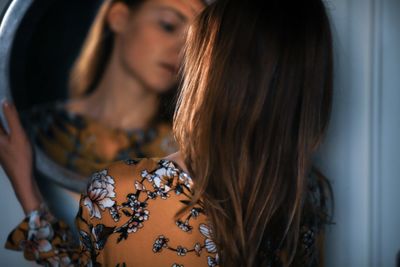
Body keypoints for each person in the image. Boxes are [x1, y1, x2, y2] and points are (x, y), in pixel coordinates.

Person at [0, 0, 334, 266]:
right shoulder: (307, 194)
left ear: (211, 66)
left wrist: (27, 194)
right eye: (168, 25)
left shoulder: (126, 195)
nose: (180, 49)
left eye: (191, 35)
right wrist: (28, 191)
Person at [28, 0, 206, 177]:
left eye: (196, 42)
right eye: (168, 26)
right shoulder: (36, 129)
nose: (182, 50)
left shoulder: (191, 153)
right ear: (119, 17)